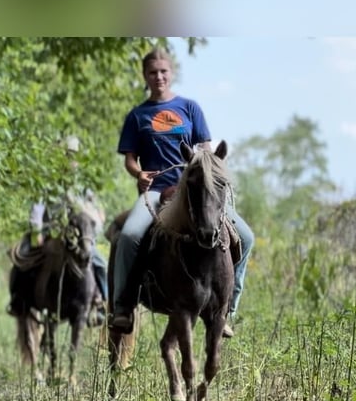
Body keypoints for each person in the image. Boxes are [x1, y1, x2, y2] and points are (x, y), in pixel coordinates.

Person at [108, 47, 254, 337]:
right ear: (145, 76)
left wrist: (203, 172)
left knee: (246, 237)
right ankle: (122, 307)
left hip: (195, 190)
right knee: (128, 236)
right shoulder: (137, 116)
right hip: (158, 191)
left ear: (171, 73)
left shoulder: (190, 108)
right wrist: (140, 173)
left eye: (163, 71)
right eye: (153, 72)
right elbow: (129, 158)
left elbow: (205, 150)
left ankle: (227, 310)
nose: (158, 77)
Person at [7, 136, 109, 321]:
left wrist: (96, 222)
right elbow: (37, 208)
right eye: (66, 155)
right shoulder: (49, 182)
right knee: (22, 256)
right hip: (51, 231)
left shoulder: (83, 186)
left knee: (100, 262)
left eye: (73, 156)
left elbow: (95, 211)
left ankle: (100, 301)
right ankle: (18, 299)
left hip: (78, 235)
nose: (70, 160)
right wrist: (37, 231)